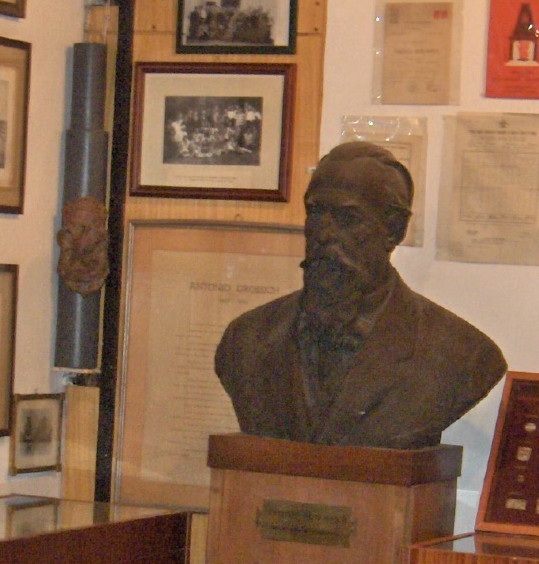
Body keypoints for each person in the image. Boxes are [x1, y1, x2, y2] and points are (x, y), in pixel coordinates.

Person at [214, 142, 505, 448]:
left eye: (348, 218)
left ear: (394, 230)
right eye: (315, 213)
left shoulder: (460, 354)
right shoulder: (246, 339)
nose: (323, 234)